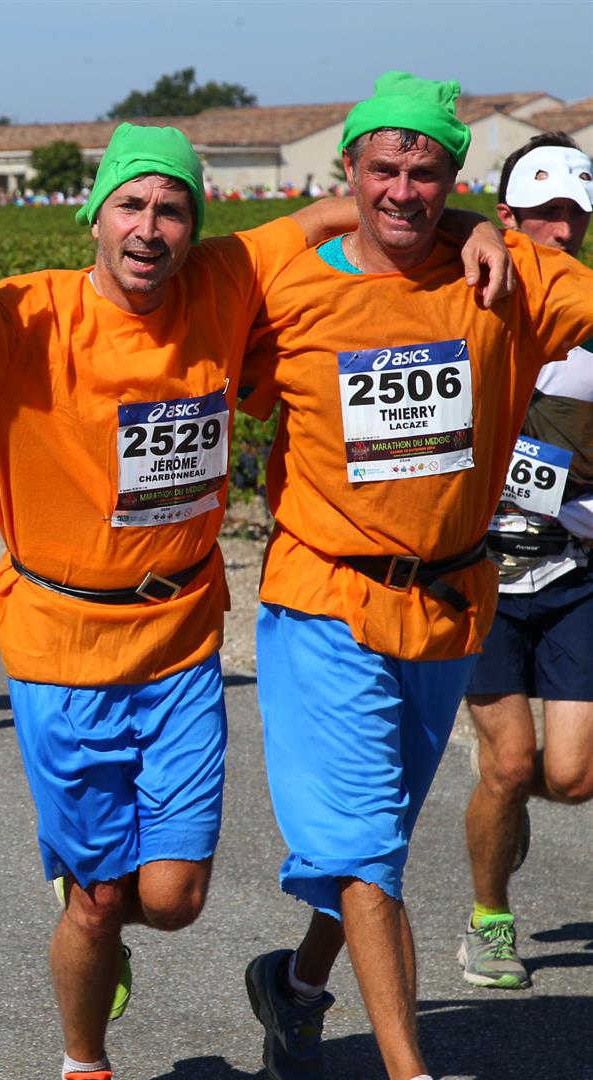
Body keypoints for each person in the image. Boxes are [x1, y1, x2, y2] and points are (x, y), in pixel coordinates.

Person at [0, 65, 512, 1080]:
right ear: (95, 220)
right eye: (131, 206)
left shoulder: (224, 281)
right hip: (60, 648)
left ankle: (107, 918)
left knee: (173, 898)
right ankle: (84, 1056)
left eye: (172, 207)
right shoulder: (28, 318)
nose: (151, 227)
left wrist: (470, 225)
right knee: (103, 903)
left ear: (193, 225)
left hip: (182, 637)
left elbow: (368, 201)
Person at [235, 72, 593, 1080]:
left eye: (428, 171)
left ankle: (298, 985)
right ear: (346, 172)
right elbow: (165, 302)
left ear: (454, 176)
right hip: (324, 599)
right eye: (382, 168)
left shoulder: (507, 274)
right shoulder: (285, 285)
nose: (403, 189)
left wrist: (493, 228)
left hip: (448, 604)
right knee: (361, 853)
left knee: (376, 842)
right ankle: (410, 1069)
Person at [456, 132, 593, 991]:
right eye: (542, 214)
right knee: (509, 763)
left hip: (574, 572)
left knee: (571, 779)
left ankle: (503, 812)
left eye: (574, 215)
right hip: (482, 578)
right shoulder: (459, 309)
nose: (560, 231)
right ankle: (489, 919)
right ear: (505, 220)